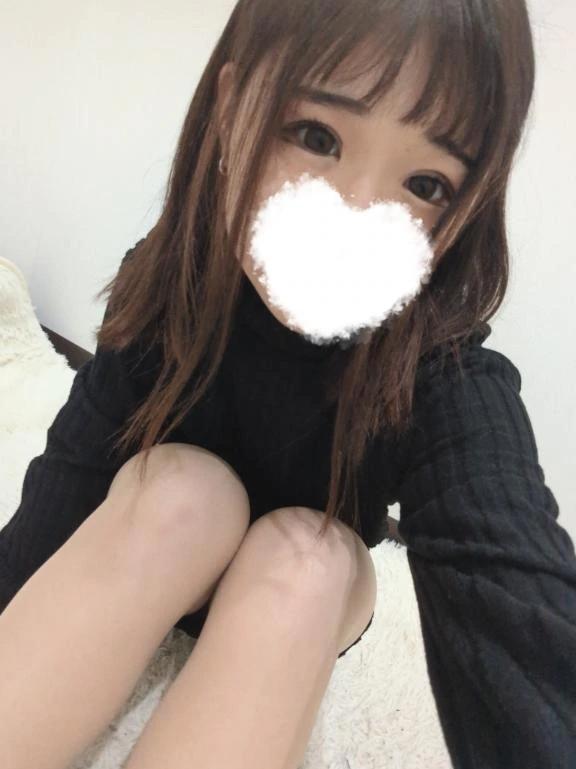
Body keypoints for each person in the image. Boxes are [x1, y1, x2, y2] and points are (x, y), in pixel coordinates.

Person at [1, 0, 575, 767]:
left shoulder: (438, 364)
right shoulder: (177, 280)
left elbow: (511, 580)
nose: (354, 219)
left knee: (309, 554)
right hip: (167, 533)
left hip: (312, 582)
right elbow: (72, 470)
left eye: (427, 184)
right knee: (181, 489)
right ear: (232, 107)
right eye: (316, 136)